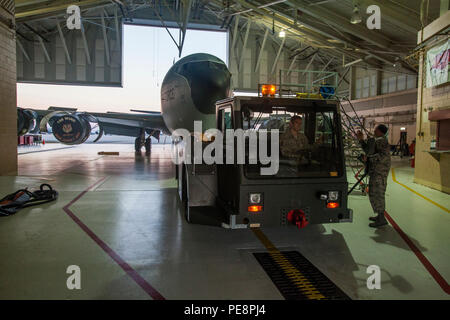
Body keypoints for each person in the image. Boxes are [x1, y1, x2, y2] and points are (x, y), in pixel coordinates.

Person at [357, 124, 391, 228]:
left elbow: (369, 151)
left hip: (378, 173)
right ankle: (379, 216)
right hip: (377, 172)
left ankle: (381, 218)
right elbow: (371, 153)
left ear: (380, 131)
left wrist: (361, 140)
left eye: (376, 129)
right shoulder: (380, 141)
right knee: (374, 193)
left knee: (377, 194)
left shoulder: (380, 140)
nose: (374, 131)